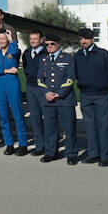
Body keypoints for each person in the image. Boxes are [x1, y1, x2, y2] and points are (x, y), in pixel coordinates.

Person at [74, 27, 108, 167]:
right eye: (81, 39)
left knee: (104, 126)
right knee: (90, 126)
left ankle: (106, 156)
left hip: (101, 95)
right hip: (85, 95)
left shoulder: (103, 55)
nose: (84, 41)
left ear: (92, 38)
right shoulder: (78, 56)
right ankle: (93, 154)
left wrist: (106, 83)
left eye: (86, 38)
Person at [37, 33, 79, 164]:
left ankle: (71, 154)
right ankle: (51, 152)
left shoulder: (68, 58)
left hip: (64, 100)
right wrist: (46, 93)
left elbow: (71, 77)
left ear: (58, 44)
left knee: (69, 128)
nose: (49, 46)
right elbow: (39, 79)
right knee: (50, 128)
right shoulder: (43, 60)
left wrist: (59, 93)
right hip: (48, 99)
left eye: (52, 44)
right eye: (47, 44)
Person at [0, 30, 29, 156]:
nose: (1, 41)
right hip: (0, 86)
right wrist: (6, 70)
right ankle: (9, 144)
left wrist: (12, 40)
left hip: (12, 85)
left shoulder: (13, 51)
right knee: (3, 116)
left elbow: (17, 52)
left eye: (3, 39)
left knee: (18, 114)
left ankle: (23, 144)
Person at [21, 30, 47, 156]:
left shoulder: (46, 52)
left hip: (43, 88)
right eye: (31, 39)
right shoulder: (26, 53)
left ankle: (50, 145)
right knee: (35, 118)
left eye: (35, 39)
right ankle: (39, 146)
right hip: (31, 88)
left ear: (41, 40)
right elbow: (26, 69)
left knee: (47, 118)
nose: (33, 41)